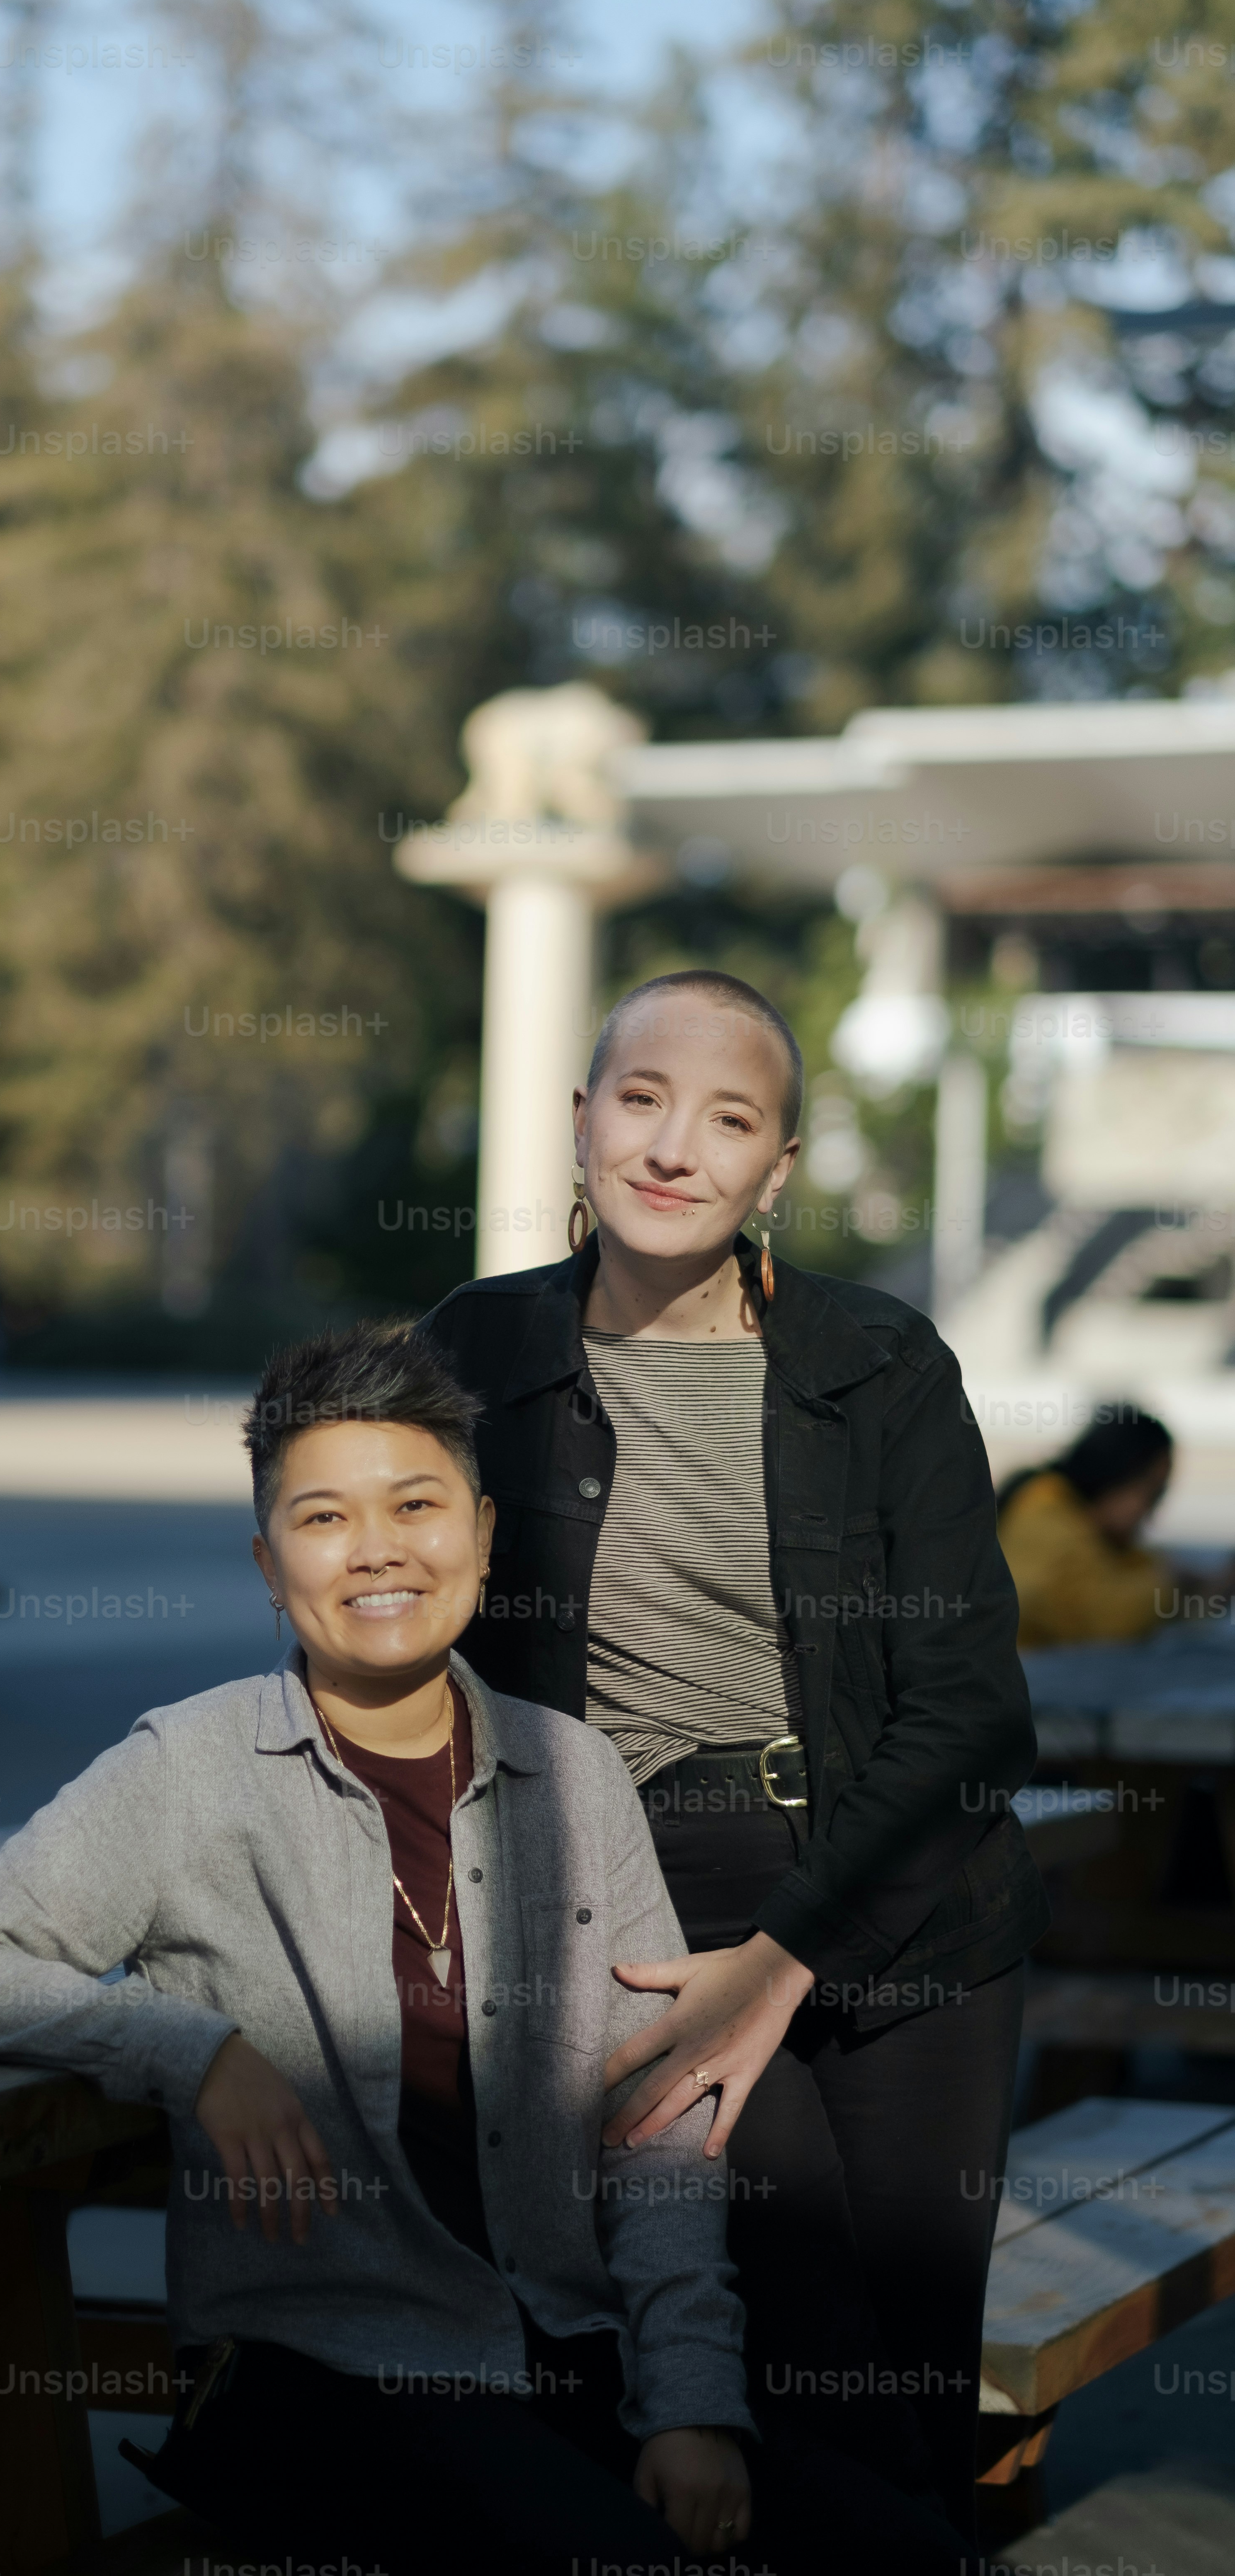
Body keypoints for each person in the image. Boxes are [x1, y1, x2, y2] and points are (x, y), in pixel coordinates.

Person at [0, 1321, 961, 2576]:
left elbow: (657, 2130)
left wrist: (693, 2400)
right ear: (269, 1565)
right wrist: (190, 2047)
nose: (377, 1548)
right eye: (323, 1518)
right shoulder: (190, 1766)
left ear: (485, 1536)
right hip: (321, 2377)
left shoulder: (576, 1773)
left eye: (416, 1504)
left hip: (565, 2354)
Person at [422, 967, 1050, 2544]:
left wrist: (782, 1961)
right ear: (580, 1123)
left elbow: (974, 1710)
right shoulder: (475, 1350)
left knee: (904, 2386)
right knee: (789, 2336)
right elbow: (378, 1621)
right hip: (638, 1911)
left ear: (777, 1170)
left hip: (900, 1893)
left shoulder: (875, 1363)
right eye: (641, 1099)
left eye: (730, 1117)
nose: (674, 1146)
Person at [996, 1410, 1174, 1648]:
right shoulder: (1045, 1518)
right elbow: (1104, 1619)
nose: (1149, 1513)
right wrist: (1169, 1585)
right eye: (1151, 1493)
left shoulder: (1057, 1509)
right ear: (1121, 1472)